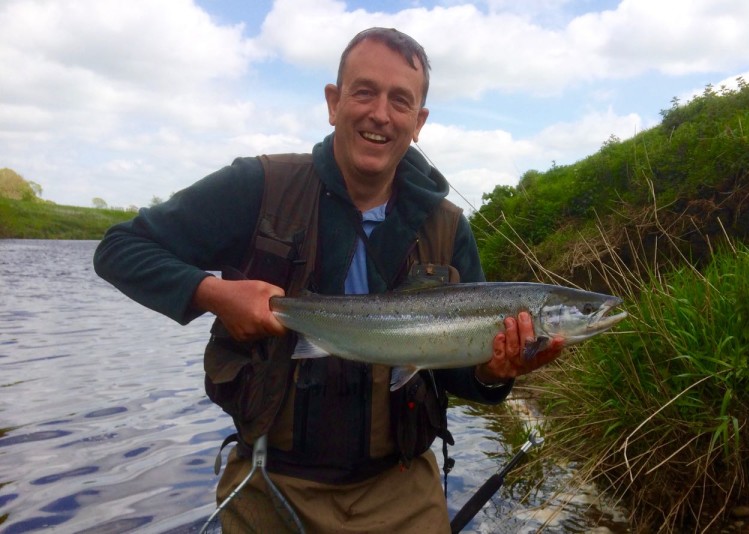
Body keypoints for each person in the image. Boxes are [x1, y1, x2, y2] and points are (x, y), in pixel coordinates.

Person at [94, 27, 563, 533]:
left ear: (419, 121)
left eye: (400, 100)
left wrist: (496, 372)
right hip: (270, 487)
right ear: (333, 102)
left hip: (403, 490)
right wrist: (215, 294)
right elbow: (119, 249)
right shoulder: (258, 186)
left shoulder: (448, 227)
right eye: (364, 92)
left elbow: (459, 375)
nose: (380, 113)